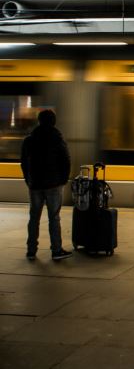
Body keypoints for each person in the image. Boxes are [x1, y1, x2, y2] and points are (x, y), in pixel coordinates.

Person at [20, 109, 72, 261]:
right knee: (54, 218)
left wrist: (28, 180)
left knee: (34, 217)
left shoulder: (29, 140)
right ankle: (56, 250)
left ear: (39, 121)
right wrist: (63, 180)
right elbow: (66, 160)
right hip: (54, 185)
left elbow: (23, 162)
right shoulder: (57, 138)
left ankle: (31, 250)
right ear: (53, 122)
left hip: (35, 185)